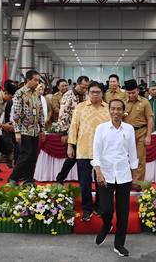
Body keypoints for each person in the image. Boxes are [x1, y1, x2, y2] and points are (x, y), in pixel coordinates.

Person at [93, 99, 138, 258]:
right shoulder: (101, 129)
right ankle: (106, 225)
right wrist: (98, 171)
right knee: (106, 209)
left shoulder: (129, 129)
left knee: (123, 211)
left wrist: (134, 171)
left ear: (123, 111)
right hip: (105, 174)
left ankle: (119, 244)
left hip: (123, 174)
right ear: (109, 110)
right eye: (113, 109)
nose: (116, 112)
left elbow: (132, 152)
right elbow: (96, 152)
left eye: (119, 109)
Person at [67, 81, 109, 221]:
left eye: (97, 92)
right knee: (84, 183)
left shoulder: (108, 108)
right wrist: (70, 145)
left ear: (102, 93)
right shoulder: (80, 107)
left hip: (103, 152)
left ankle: (99, 207)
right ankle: (87, 209)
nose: (95, 95)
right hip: (83, 150)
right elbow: (74, 127)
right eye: (92, 92)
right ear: (88, 93)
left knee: (101, 182)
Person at [9, 70, 43, 185]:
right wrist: (17, 131)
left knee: (33, 156)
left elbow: (41, 112)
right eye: (35, 80)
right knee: (26, 154)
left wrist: (42, 129)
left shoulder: (37, 93)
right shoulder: (20, 93)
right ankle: (13, 178)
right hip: (24, 129)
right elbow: (16, 114)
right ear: (28, 80)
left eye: (38, 80)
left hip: (35, 130)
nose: (37, 82)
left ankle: (28, 179)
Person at [55, 76, 89, 183]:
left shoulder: (87, 95)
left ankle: (81, 181)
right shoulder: (68, 95)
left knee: (81, 159)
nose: (84, 89)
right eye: (83, 87)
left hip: (84, 132)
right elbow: (63, 115)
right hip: (71, 131)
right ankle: (60, 179)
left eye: (86, 87)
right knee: (71, 158)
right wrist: (64, 133)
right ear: (77, 84)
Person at [122, 79, 153, 185]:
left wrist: (148, 136)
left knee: (140, 159)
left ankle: (138, 183)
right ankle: (127, 181)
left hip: (141, 132)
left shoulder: (145, 102)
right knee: (126, 158)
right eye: (129, 93)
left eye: (133, 92)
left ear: (138, 91)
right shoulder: (122, 103)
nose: (131, 95)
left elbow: (150, 119)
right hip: (126, 135)